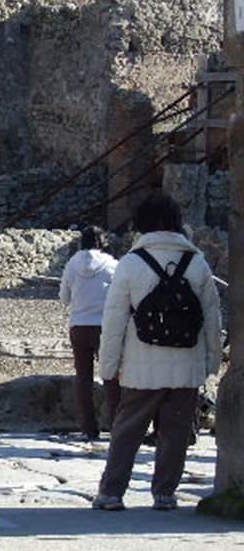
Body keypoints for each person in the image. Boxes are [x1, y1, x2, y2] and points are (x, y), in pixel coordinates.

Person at [92, 192, 222, 511]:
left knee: (127, 430)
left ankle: (112, 491)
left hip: (141, 366)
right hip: (186, 365)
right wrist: (211, 361)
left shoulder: (131, 264)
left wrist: (108, 368)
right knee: (176, 433)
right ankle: (165, 492)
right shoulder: (198, 263)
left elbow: (114, 323)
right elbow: (212, 317)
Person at [59, 225, 120, 440]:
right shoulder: (112, 265)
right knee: (111, 376)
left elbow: (64, 298)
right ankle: (116, 425)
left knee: (83, 378)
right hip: (105, 325)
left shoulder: (71, 265)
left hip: (79, 325)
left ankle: (88, 426)